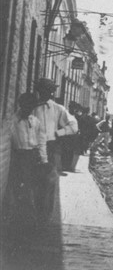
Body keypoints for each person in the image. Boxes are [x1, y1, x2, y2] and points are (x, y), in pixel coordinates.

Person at [32, 78, 78, 217]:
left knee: (49, 182)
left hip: (50, 147)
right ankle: (34, 214)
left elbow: (73, 126)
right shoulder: (32, 107)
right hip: (32, 148)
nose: (46, 93)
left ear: (52, 92)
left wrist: (59, 133)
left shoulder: (58, 109)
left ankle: (45, 214)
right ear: (38, 91)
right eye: (42, 90)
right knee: (33, 181)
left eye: (49, 90)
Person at [9, 93, 49, 225]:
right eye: (27, 107)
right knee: (20, 188)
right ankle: (23, 218)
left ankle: (31, 218)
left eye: (31, 107)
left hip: (32, 157)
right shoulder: (13, 121)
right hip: (19, 157)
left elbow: (41, 141)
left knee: (33, 188)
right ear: (21, 106)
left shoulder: (35, 121)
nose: (29, 110)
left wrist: (44, 160)